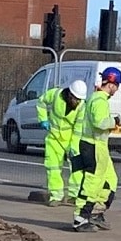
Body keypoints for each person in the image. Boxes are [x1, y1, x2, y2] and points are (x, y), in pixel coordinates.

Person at [71, 66, 121, 230]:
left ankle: (96, 212)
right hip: (94, 146)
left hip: (97, 146)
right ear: (112, 84)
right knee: (92, 182)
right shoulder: (100, 100)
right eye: (117, 86)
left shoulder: (96, 99)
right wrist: (115, 121)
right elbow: (100, 122)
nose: (116, 89)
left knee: (110, 180)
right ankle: (81, 218)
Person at [39, 79, 85, 207]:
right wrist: (43, 119)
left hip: (70, 139)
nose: (77, 102)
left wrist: (74, 145)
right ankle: (56, 196)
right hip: (54, 138)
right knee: (53, 167)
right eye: (76, 99)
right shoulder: (55, 95)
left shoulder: (81, 106)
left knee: (76, 168)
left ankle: (75, 195)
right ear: (70, 94)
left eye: (79, 100)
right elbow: (41, 101)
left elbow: (78, 127)